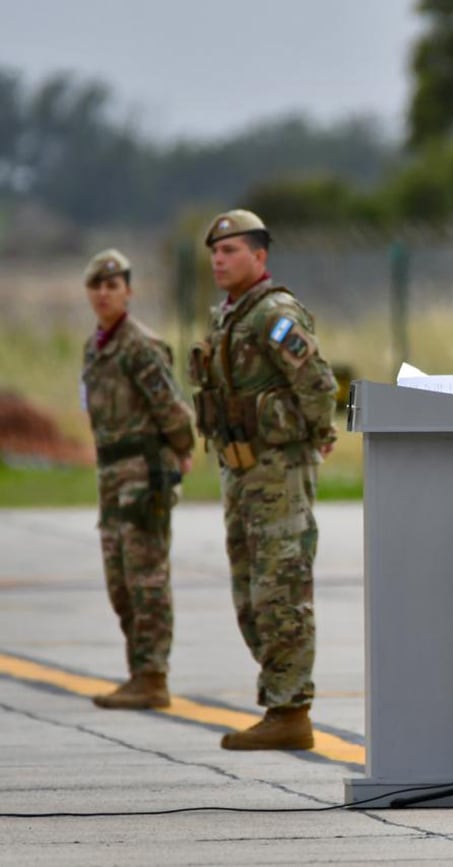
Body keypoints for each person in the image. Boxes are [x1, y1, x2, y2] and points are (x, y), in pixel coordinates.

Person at [189, 210, 338, 750]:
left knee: (281, 587)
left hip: (276, 469)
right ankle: (281, 697)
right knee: (250, 591)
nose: (219, 260)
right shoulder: (230, 316)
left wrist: (319, 433)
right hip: (240, 469)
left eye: (231, 251)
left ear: (260, 257)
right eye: (215, 252)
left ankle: (290, 710)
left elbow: (316, 379)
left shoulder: (274, 313)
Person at [81, 248, 195, 710]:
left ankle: (153, 676)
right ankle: (138, 671)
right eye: (97, 285)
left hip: (143, 472)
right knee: (120, 579)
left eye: (113, 285)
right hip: (111, 473)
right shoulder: (96, 346)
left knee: (146, 576)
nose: (104, 293)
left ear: (129, 291)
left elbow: (172, 408)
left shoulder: (140, 346)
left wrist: (180, 452)